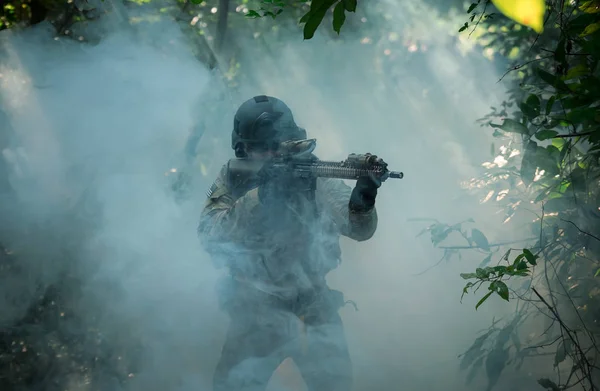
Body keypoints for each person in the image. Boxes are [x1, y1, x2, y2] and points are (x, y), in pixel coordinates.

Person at [197, 95, 386, 391]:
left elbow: (359, 231)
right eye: (264, 147)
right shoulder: (234, 178)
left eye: (280, 144)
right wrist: (261, 196)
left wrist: (363, 199)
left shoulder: (311, 175)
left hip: (314, 305)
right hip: (256, 310)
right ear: (243, 148)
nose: (274, 152)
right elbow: (209, 234)